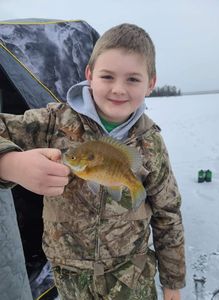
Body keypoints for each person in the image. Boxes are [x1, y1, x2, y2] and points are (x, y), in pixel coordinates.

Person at [0, 23, 185, 299]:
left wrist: (172, 283)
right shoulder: (54, 122)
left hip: (132, 279)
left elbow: (168, 214)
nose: (118, 89)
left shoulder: (151, 143)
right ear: (89, 74)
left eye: (133, 79)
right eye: (107, 76)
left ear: (151, 84)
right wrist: (10, 163)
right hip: (71, 280)